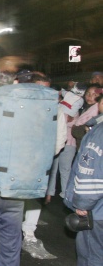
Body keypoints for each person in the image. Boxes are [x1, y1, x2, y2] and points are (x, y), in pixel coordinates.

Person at [20, 73, 66, 259]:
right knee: (14, 197)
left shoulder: (57, 110)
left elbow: (60, 137)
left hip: (41, 161)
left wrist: (45, 155)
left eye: (47, 88)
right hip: (19, 160)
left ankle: (29, 234)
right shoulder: (20, 106)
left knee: (35, 197)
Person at [64, 94, 103, 265]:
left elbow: (90, 170)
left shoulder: (99, 132)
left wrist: (82, 204)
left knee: (91, 256)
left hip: (98, 211)